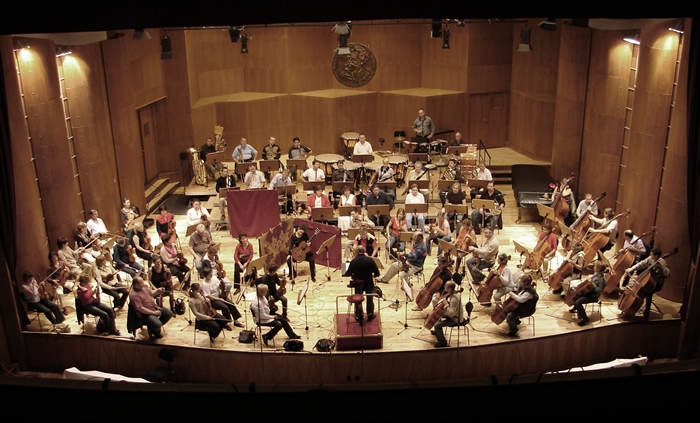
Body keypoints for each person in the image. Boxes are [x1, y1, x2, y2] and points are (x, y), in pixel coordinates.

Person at [624, 247, 671, 320]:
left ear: (656, 256)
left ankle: (646, 314)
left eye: (652, 255)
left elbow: (667, 274)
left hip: (656, 284)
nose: (650, 256)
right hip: (647, 281)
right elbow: (641, 264)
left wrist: (662, 267)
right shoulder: (650, 259)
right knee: (635, 286)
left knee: (648, 295)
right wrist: (631, 269)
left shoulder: (662, 263)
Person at [346, 246, 380, 324]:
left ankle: (358, 315)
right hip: (369, 283)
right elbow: (377, 273)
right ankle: (370, 314)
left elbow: (348, 273)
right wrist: (374, 275)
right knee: (369, 299)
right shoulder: (370, 260)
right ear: (364, 251)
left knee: (358, 299)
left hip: (358, 284)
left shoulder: (354, 261)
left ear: (357, 252)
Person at [432, 281, 464, 348]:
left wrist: (446, 304)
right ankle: (437, 332)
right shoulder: (454, 295)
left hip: (456, 319)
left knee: (437, 325)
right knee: (438, 317)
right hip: (455, 315)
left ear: (449, 288)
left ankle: (442, 343)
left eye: (445, 287)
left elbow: (451, 313)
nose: (444, 288)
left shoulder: (454, 299)